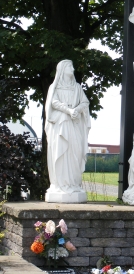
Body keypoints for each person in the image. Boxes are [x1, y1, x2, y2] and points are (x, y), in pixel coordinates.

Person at [45, 60, 90, 199]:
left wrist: (76, 110)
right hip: (61, 125)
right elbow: (53, 102)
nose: (73, 68)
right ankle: (60, 184)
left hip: (74, 125)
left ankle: (73, 184)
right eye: (70, 66)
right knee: (61, 152)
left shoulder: (77, 87)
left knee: (74, 153)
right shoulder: (55, 87)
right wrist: (68, 110)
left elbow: (85, 102)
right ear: (63, 69)